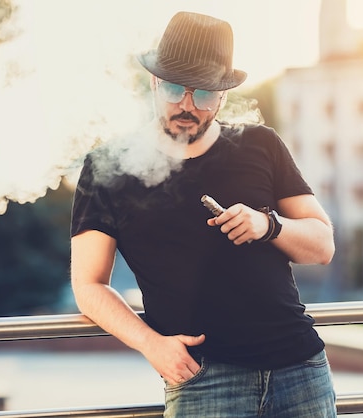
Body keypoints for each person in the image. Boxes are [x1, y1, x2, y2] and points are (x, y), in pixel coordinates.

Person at [70, 11, 337, 418]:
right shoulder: (108, 166)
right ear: (155, 83)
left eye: (204, 94)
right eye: (175, 88)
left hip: (300, 371)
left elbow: (322, 245)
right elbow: (88, 285)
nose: (187, 105)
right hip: (202, 377)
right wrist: (151, 344)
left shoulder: (261, 145)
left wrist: (268, 225)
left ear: (223, 95)